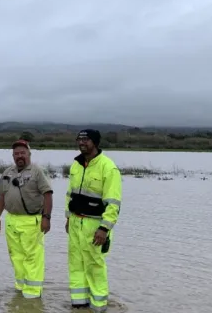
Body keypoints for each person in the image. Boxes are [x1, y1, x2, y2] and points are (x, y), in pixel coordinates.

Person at [65, 129, 122, 312]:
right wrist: (68, 218)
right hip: (75, 222)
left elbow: (113, 203)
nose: (82, 143)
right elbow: (69, 194)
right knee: (76, 263)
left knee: (95, 265)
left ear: (95, 142)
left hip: (95, 225)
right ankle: (79, 304)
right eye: (79, 139)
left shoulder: (108, 167)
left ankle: (99, 306)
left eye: (86, 140)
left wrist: (104, 229)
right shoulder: (76, 164)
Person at [0, 139, 53, 299]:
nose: (19, 156)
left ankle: (33, 293)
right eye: (16, 154)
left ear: (29, 154)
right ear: (13, 156)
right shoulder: (7, 172)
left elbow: (48, 194)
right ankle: (20, 288)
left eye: (22, 153)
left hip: (32, 221)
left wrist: (46, 217)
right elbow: (1, 196)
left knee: (32, 257)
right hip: (11, 220)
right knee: (16, 256)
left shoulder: (37, 172)